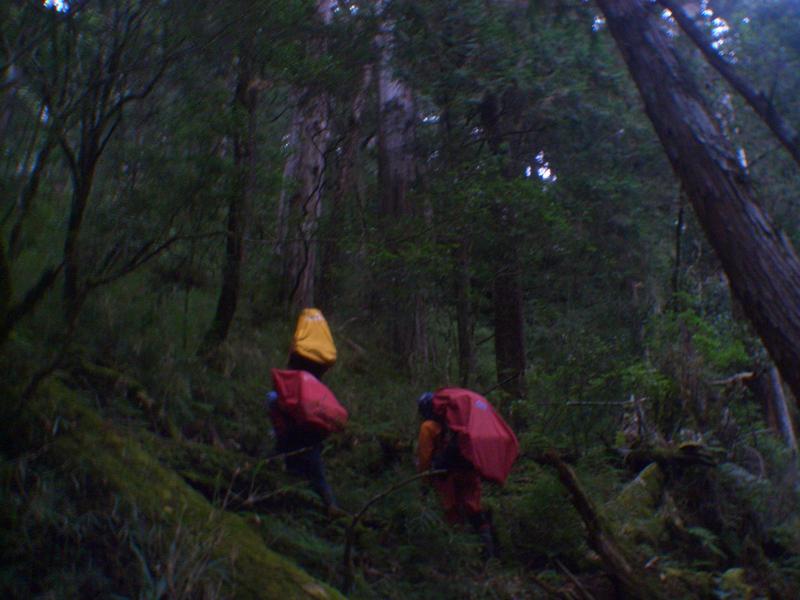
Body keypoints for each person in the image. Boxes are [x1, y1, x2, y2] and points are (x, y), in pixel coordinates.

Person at [266, 308, 340, 513]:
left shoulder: (304, 331)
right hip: (311, 423)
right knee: (315, 466)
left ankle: (297, 500)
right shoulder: (321, 336)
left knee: (287, 449)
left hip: (294, 423)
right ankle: (329, 504)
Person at [416, 391, 496, 558]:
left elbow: (425, 457)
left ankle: (459, 555)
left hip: (447, 475)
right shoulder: (459, 425)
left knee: (451, 512)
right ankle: (488, 554)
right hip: (470, 471)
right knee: (474, 509)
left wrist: (424, 482)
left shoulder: (428, 427)